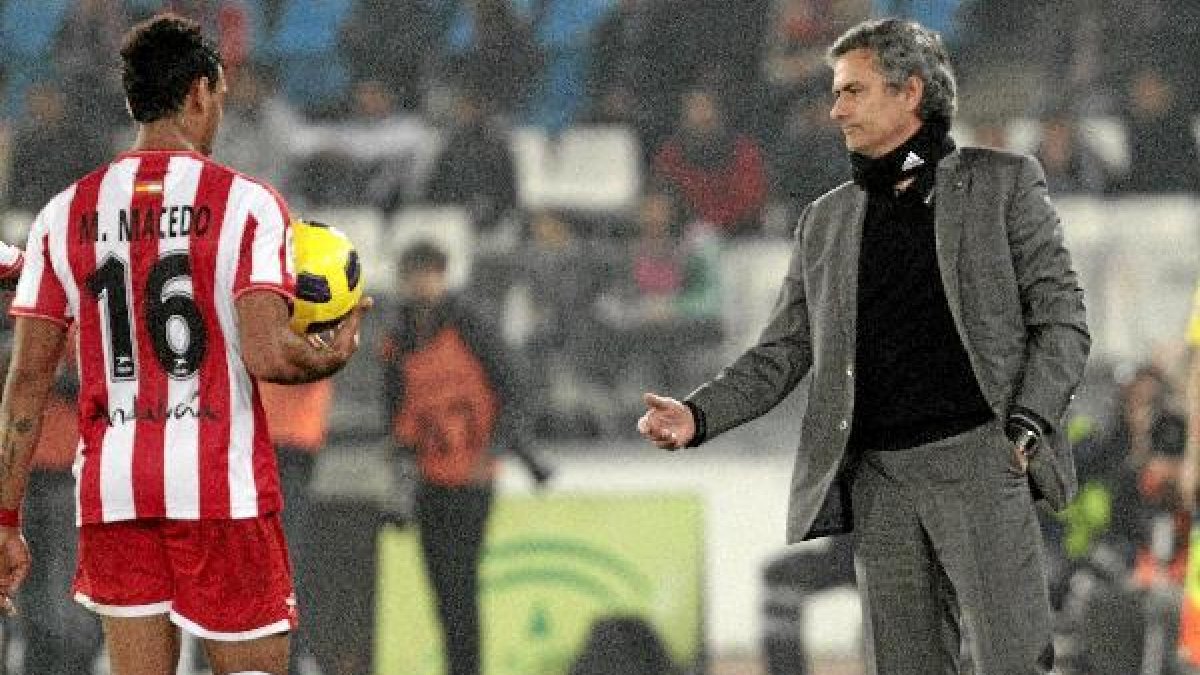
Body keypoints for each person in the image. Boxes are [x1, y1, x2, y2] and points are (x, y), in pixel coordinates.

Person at [637, 18, 1090, 674]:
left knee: (1015, 665)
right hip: (881, 484)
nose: (836, 109)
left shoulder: (1003, 185)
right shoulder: (824, 222)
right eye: (835, 92)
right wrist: (698, 413)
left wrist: (1026, 425)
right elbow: (780, 353)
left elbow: (1063, 320)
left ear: (910, 93)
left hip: (983, 463)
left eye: (853, 90)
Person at [0, 13, 368, 675]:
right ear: (199, 91)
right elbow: (269, 354)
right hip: (220, 488)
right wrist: (335, 350)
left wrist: (5, 517)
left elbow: (25, 385)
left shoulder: (64, 214)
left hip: (116, 489)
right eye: (219, 93)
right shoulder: (247, 205)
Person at [378, 240, 544, 675]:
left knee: (461, 583)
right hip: (427, 476)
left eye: (428, 273)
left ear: (443, 275)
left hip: (471, 475)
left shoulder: (471, 324)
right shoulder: (398, 338)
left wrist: (495, 449)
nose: (421, 284)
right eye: (414, 274)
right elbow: (393, 407)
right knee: (441, 587)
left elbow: (514, 386)